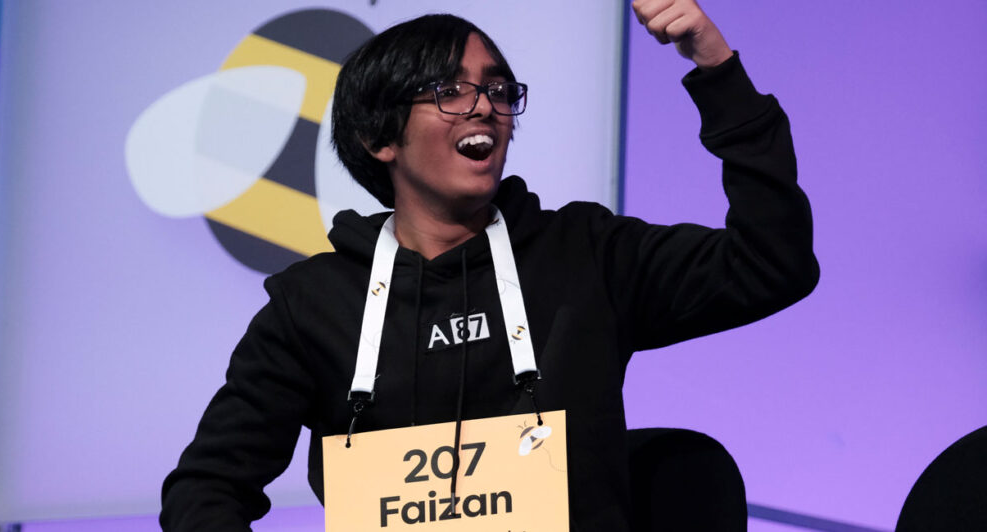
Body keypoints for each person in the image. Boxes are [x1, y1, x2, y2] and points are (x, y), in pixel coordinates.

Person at [160, 1, 819, 530]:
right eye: (448, 89)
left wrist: (716, 70)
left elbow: (771, 264)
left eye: (498, 89)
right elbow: (208, 488)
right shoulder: (313, 303)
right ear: (379, 138)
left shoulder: (585, 253)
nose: (483, 106)